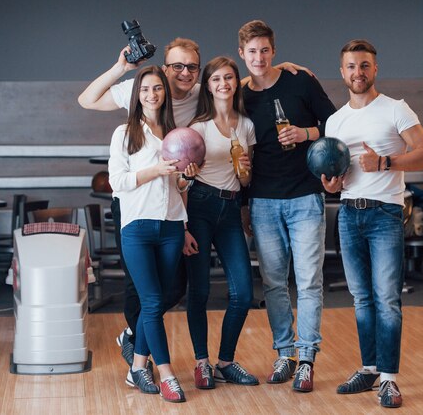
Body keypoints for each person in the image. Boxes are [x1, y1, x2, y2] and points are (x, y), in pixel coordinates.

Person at [78, 37, 313, 373]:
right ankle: (139, 347)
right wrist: (122, 67)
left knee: (176, 286)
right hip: (141, 205)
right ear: (164, 69)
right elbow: (87, 100)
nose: (185, 73)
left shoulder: (203, 92)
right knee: (144, 286)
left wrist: (288, 69)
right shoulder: (143, 89)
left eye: (192, 67)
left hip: (178, 202)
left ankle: (149, 340)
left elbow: (229, 81)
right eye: (177, 66)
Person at [321, 39, 423, 409]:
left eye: (365, 65)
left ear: (375, 69)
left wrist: (386, 162)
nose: (358, 72)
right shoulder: (335, 120)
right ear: (342, 73)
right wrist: (331, 183)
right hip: (348, 212)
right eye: (352, 66)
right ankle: (369, 367)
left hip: (385, 213)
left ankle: (389, 380)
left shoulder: (395, 109)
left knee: (387, 300)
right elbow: (334, 168)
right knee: (361, 299)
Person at [237, 20, 337, 393]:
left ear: (274, 50)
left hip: (305, 195)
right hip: (262, 200)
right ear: (242, 55)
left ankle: (307, 358)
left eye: (264, 50)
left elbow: (335, 122)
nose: (259, 58)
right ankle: (284, 353)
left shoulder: (301, 81)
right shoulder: (240, 94)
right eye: (252, 52)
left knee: (309, 281)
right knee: (274, 284)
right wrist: (245, 205)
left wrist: (306, 133)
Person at [108, 65, 189, 402]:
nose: (152, 95)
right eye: (145, 90)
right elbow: (118, 182)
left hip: (171, 225)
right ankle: (167, 374)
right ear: (136, 95)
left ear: (164, 93)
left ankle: (138, 366)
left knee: (158, 300)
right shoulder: (124, 133)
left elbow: (178, 185)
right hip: (137, 226)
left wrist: (187, 176)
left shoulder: (175, 132)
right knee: (152, 301)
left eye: (157, 89)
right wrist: (155, 170)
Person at [180, 56, 258, 389]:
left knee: (243, 291)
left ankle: (225, 360)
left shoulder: (246, 125)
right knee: (198, 292)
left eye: (229, 78)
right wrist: (183, 227)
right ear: (208, 87)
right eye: (216, 79)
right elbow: (182, 182)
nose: (223, 84)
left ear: (235, 83)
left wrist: (245, 170)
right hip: (199, 205)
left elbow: (245, 179)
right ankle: (202, 363)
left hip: (230, 209)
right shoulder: (197, 128)